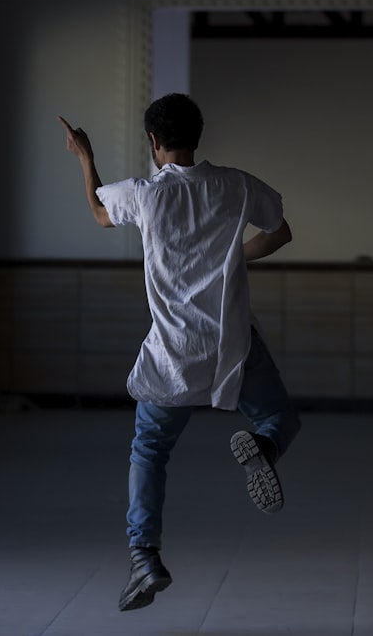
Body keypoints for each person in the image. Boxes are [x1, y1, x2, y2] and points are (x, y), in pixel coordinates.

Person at [58, 93, 301, 612]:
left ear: (153, 141)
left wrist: (85, 157)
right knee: (279, 417)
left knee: (149, 450)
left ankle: (144, 555)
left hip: (173, 351)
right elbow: (280, 231)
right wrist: (235, 256)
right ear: (198, 135)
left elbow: (100, 213)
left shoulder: (145, 195)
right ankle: (264, 449)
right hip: (233, 342)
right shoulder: (236, 184)